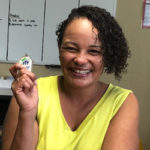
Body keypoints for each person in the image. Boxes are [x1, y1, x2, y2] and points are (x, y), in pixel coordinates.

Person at [2, 5, 139, 150]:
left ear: (107, 56)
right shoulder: (28, 93)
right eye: (71, 48)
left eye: (93, 51)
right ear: (60, 49)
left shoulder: (122, 102)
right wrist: (28, 113)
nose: (80, 59)